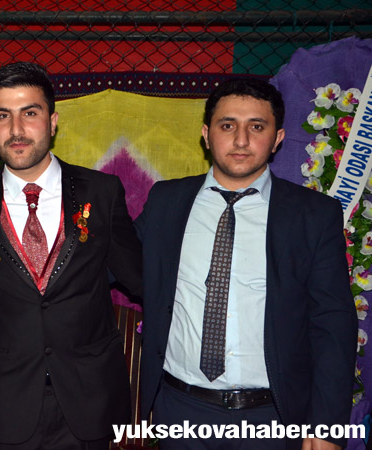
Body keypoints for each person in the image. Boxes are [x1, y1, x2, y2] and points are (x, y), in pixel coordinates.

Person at [135, 78, 357, 450]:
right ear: (206, 135)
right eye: (227, 126)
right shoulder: (166, 201)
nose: (240, 140)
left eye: (256, 127)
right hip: (179, 410)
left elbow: (333, 323)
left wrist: (326, 426)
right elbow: (105, 262)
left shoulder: (313, 215)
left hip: (272, 417)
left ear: (277, 138)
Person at [0, 61, 142, 449]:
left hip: (89, 402)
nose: (16, 129)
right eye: (3, 116)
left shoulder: (102, 193)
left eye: (30, 113)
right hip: (3, 405)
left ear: (53, 122)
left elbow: (142, 279)